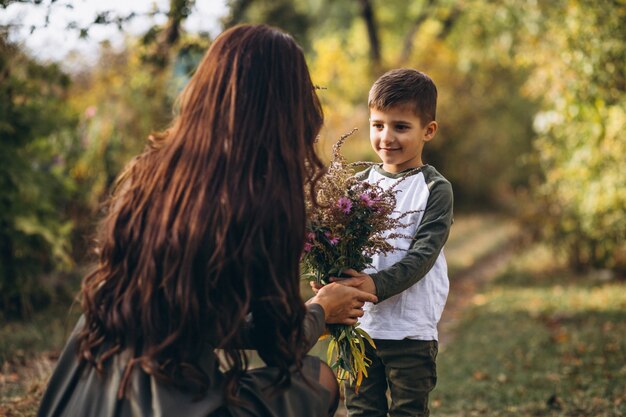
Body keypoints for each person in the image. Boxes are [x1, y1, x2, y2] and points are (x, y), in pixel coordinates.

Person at [36, 24, 377, 417]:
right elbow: (278, 345)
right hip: (168, 402)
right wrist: (320, 310)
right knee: (319, 379)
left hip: (85, 383)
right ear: (288, 107)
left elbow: (202, 323)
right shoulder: (258, 197)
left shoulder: (151, 173)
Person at [319, 68, 454, 417]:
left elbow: (423, 255)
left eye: (401, 127)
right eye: (378, 125)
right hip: (360, 326)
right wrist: (328, 278)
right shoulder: (355, 185)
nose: (386, 137)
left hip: (411, 330)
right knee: (362, 410)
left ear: (429, 130)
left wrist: (374, 284)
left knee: (409, 410)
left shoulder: (435, 189)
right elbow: (337, 245)